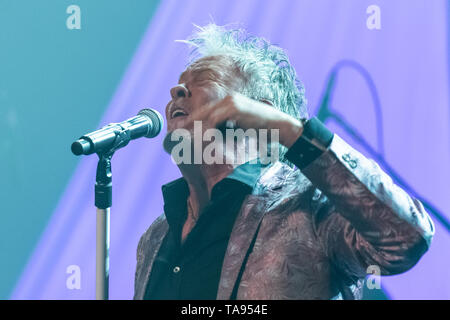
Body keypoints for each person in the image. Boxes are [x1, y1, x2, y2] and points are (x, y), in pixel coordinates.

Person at [133, 24, 434, 300]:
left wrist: (288, 129)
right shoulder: (156, 236)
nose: (176, 91)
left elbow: (406, 237)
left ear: (257, 115)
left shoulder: (306, 206)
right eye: (178, 84)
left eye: (202, 80)